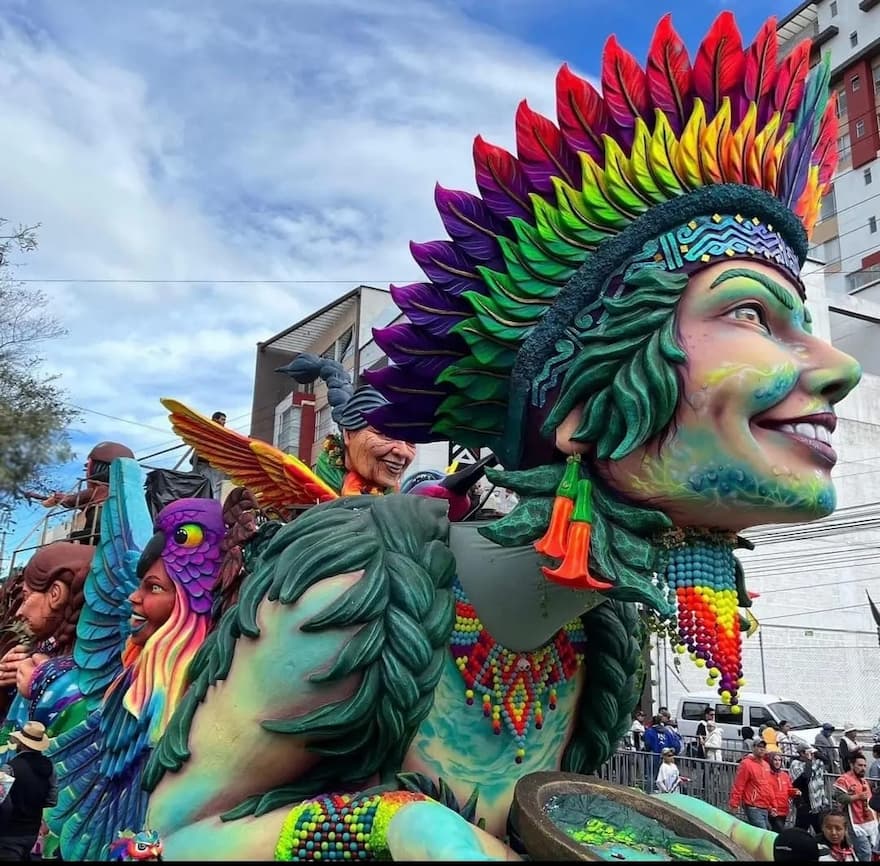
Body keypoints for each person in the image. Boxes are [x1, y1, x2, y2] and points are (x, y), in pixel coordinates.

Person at [0, 721, 56, 860]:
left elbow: (2, 802)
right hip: (31, 833)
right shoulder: (49, 767)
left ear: (21, 743)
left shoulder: (10, 768)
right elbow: (52, 800)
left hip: (9, 834)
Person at [832, 752, 878, 862]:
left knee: (871, 850)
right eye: (860, 765)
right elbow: (839, 797)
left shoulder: (863, 780)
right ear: (852, 765)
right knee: (865, 852)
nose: (863, 768)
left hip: (870, 822)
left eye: (864, 766)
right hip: (855, 823)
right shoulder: (843, 779)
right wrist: (857, 796)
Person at [729, 739, 773, 829]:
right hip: (753, 806)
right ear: (753, 748)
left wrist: (772, 805)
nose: (762, 749)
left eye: (763, 747)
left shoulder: (766, 765)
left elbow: (768, 786)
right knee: (762, 832)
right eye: (759, 747)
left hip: (764, 805)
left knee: (767, 830)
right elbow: (739, 785)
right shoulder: (746, 764)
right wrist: (734, 804)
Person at [791, 745, 831, 834]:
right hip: (804, 803)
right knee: (800, 832)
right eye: (809, 753)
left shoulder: (816, 764)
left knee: (820, 831)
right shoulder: (795, 764)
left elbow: (826, 760)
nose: (812, 756)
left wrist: (816, 752)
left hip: (817, 805)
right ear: (802, 753)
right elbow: (806, 777)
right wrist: (808, 761)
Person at [190, 412, 229, 500]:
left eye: (224, 420)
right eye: (222, 420)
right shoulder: (211, 431)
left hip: (214, 466)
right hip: (207, 466)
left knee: (217, 486)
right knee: (214, 488)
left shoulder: (217, 432)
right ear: (215, 420)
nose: (224, 422)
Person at [767, 751, 799, 833]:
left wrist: (795, 792)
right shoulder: (767, 775)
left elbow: (789, 789)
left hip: (784, 809)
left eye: (779, 760)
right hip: (773, 810)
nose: (777, 762)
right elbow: (765, 793)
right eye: (775, 760)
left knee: (776, 832)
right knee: (780, 831)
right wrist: (770, 808)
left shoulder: (784, 775)